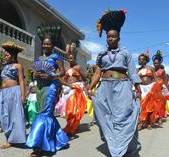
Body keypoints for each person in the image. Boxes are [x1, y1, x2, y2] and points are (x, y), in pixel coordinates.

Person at [88, 9, 141, 157]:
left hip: (122, 86)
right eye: (108, 37)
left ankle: (121, 149)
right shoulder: (101, 55)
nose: (110, 39)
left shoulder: (125, 53)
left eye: (113, 37)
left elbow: (132, 71)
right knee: (105, 116)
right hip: (104, 87)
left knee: (121, 117)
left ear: (118, 38)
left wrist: (137, 87)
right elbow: (97, 73)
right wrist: (90, 87)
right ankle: (114, 144)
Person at [26, 35, 69, 157]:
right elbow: (34, 72)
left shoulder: (56, 57)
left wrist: (52, 76)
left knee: (44, 114)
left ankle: (38, 146)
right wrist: (35, 75)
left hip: (51, 87)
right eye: (44, 44)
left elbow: (62, 71)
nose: (45, 46)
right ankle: (60, 140)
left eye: (48, 44)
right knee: (45, 114)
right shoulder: (38, 59)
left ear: (52, 46)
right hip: (40, 88)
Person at [0, 41, 26, 149]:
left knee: (13, 117)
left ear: (13, 55)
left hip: (14, 92)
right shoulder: (4, 66)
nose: (5, 57)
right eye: (5, 55)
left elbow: (21, 81)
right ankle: (9, 136)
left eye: (7, 55)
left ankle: (9, 140)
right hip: (4, 93)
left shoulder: (18, 66)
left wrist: (23, 95)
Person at [60, 54, 87, 136]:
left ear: (75, 58)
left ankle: (74, 127)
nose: (71, 60)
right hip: (67, 89)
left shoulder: (78, 67)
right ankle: (70, 125)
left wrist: (84, 86)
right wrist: (62, 88)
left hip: (76, 89)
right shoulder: (66, 69)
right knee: (68, 109)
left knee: (74, 109)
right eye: (69, 59)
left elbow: (84, 77)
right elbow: (63, 79)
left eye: (72, 58)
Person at [137, 52, 159, 130]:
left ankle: (150, 122)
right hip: (141, 88)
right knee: (141, 105)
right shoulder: (137, 70)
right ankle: (142, 122)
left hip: (150, 88)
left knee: (150, 106)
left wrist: (158, 87)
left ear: (145, 60)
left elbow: (156, 78)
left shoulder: (151, 68)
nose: (139, 60)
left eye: (141, 59)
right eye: (139, 59)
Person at [153, 51, 167, 125]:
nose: (156, 64)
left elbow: (165, 81)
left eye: (157, 63)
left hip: (161, 89)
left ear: (160, 63)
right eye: (154, 63)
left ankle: (160, 118)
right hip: (154, 89)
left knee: (161, 104)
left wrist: (166, 90)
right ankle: (156, 117)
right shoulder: (152, 70)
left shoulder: (162, 71)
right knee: (155, 104)